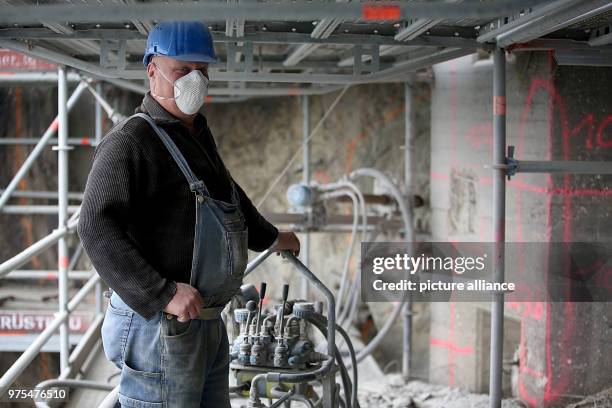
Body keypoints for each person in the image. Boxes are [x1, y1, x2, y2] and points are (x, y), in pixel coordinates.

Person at [77, 21, 300, 407]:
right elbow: (96, 228)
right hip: (162, 324)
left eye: (202, 71)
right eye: (182, 71)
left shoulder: (194, 134)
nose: (194, 80)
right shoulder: (131, 141)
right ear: (153, 71)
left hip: (205, 320)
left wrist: (271, 237)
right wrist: (162, 293)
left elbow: (229, 197)